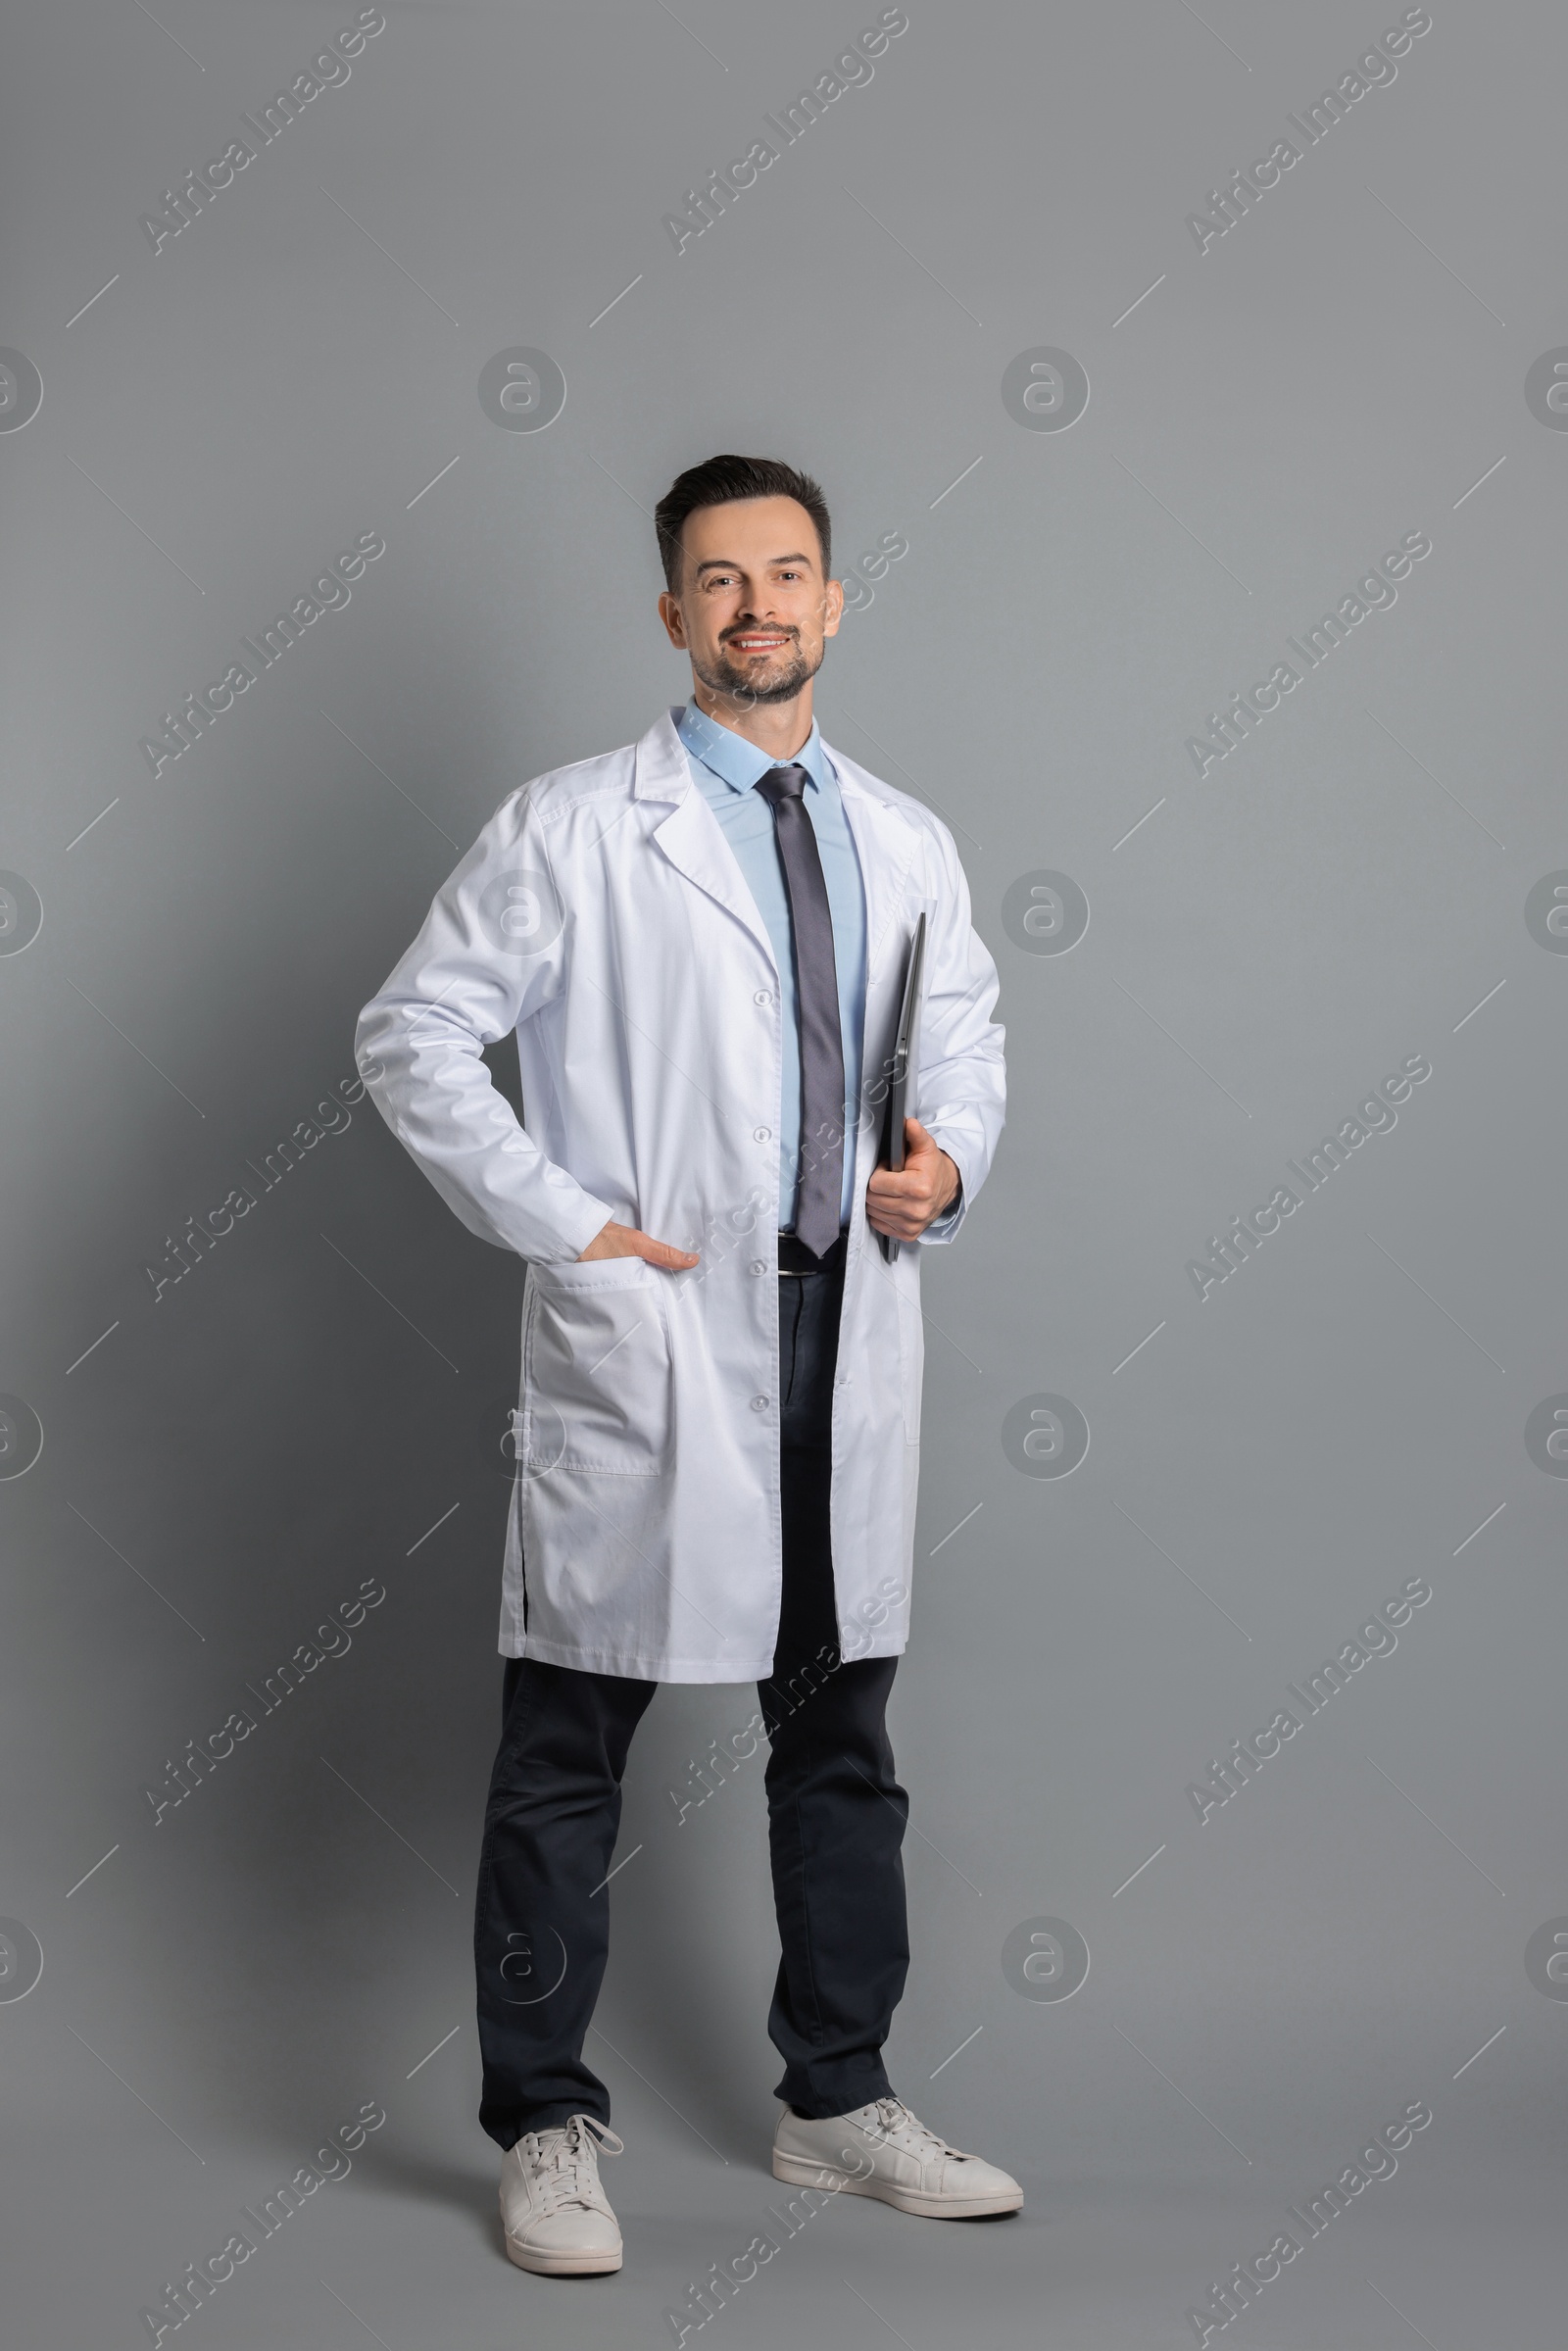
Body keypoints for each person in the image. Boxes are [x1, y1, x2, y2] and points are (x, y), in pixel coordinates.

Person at [356, 454, 1013, 2278]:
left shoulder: (905, 833)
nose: (758, 610)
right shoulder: (574, 824)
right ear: (671, 614)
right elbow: (412, 1033)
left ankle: (836, 2098)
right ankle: (547, 2124)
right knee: (570, 1746)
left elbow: (961, 1037)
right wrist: (563, 1223)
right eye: (719, 582)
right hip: (650, 1343)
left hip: (841, 1328)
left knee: (841, 1740)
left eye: (788, 574)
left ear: (835, 598)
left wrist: (947, 1158)